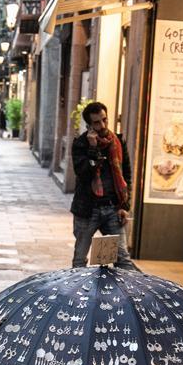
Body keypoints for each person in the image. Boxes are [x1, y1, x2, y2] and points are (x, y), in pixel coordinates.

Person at [70, 101, 134, 269]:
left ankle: (126, 295)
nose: (103, 125)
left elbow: (126, 175)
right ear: (89, 125)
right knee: (79, 260)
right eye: (97, 122)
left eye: (105, 119)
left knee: (123, 260)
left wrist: (125, 205)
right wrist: (93, 149)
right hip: (88, 210)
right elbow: (83, 174)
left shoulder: (117, 142)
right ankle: (77, 295)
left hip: (112, 209)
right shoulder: (80, 144)